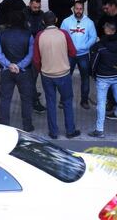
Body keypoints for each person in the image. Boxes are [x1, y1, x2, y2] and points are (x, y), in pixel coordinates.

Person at [33, 11, 81, 139]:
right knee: (67, 101)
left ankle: (53, 132)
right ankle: (70, 130)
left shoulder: (39, 36)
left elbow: (36, 59)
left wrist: (42, 69)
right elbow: (73, 52)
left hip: (47, 75)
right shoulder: (63, 34)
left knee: (50, 102)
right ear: (56, 20)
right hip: (64, 74)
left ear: (43, 22)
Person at [89, 22, 117, 137]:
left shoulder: (99, 46)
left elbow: (93, 63)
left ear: (106, 30)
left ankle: (99, 130)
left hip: (102, 78)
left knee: (101, 103)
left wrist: (92, 74)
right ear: (114, 30)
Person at [0, 10, 35, 132]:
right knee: (26, 99)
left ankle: (5, 125)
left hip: (7, 71)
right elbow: (30, 54)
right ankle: (27, 126)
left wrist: (9, 65)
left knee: (5, 99)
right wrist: (19, 66)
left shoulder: (2, 34)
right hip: (24, 72)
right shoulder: (28, 35)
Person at [61, 1, 97, 110]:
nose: (79, 11)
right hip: (70, 55)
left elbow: (93, 37)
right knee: (66, 78)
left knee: (85, 78)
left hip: (83, 55)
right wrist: (68, 47)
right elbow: (62, 36)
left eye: (81, 9)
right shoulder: (66, 21)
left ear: (83, 9)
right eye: (77, 8)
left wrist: (85, 46)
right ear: (73, 9)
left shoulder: (89, 23)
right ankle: (63, 100)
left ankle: (84, 100)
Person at [23, 0, 46, 113]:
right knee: (31, 77)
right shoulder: (24, 14)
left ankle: (31, 95)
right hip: (26, 50)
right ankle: (34, 100)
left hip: (37, 50)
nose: (36, 9)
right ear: (30, 4)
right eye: (34, 7)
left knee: (33, 76)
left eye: (38, 7)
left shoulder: (42, 15)